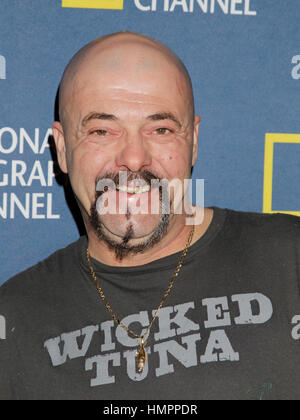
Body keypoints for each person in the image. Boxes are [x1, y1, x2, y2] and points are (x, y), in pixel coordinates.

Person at [0, 31, 299, 400]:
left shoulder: (292, 260)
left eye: (160, 129)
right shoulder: (14, 317)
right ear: (62, 149)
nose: (135, 158)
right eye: (101, 130)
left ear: (192, 142)